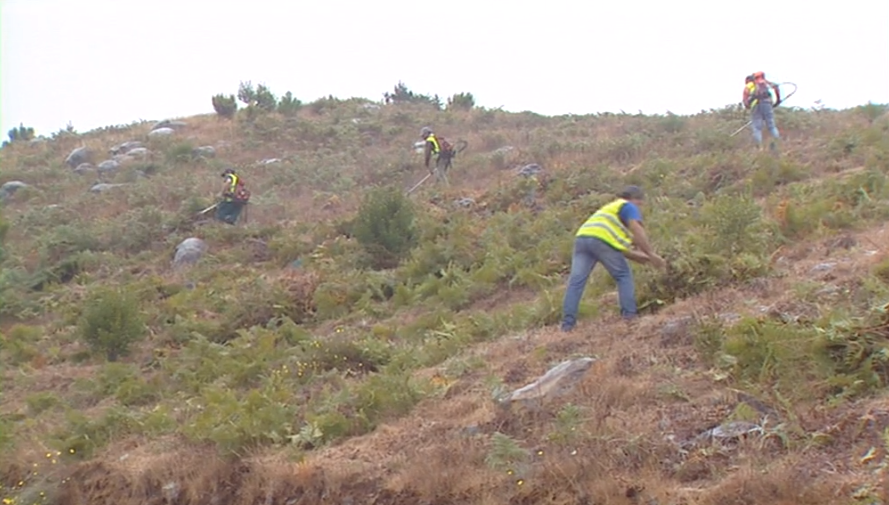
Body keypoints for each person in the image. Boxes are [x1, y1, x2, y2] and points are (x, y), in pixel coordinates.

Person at [560, 185, 667, 332]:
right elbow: (636, 229)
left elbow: (617, 249)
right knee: (623, 275)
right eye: (640, 204)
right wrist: (651, 254)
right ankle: (630, 318)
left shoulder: (609, 212)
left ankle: (567, 326)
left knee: (576, 283)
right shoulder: (627, 205)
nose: (639, 209)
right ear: (635, 199)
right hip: (600, 241)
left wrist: (646, 259)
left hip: (582, 239)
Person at [743, 71, 782, 151]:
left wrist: (746, 104)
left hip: (755, 105)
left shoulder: (751, 84)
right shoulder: (766, 83)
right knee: (771, 126)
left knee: (757, 128)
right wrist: (777, 101)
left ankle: (759, 148)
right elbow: (776, 88)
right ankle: (778, 145)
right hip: (767, 104)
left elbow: (745, 93)